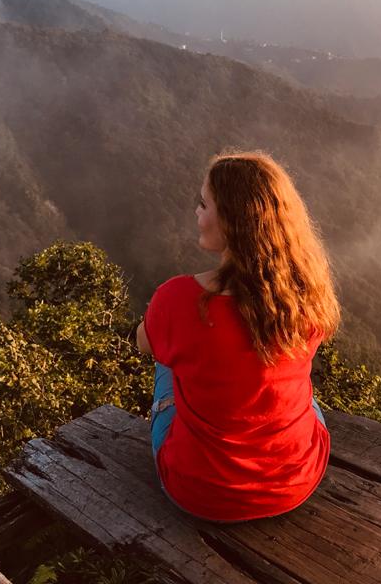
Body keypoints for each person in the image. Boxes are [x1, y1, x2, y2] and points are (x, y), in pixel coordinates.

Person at [135, 150, 339, 522]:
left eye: (204, 204)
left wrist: (163, 320)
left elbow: (143, 343)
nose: (197, 213)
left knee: (167, 362)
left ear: (231, 221)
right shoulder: (307, 295)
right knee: (303, 392)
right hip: (295, 481)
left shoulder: (179, 300)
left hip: (198, 492)